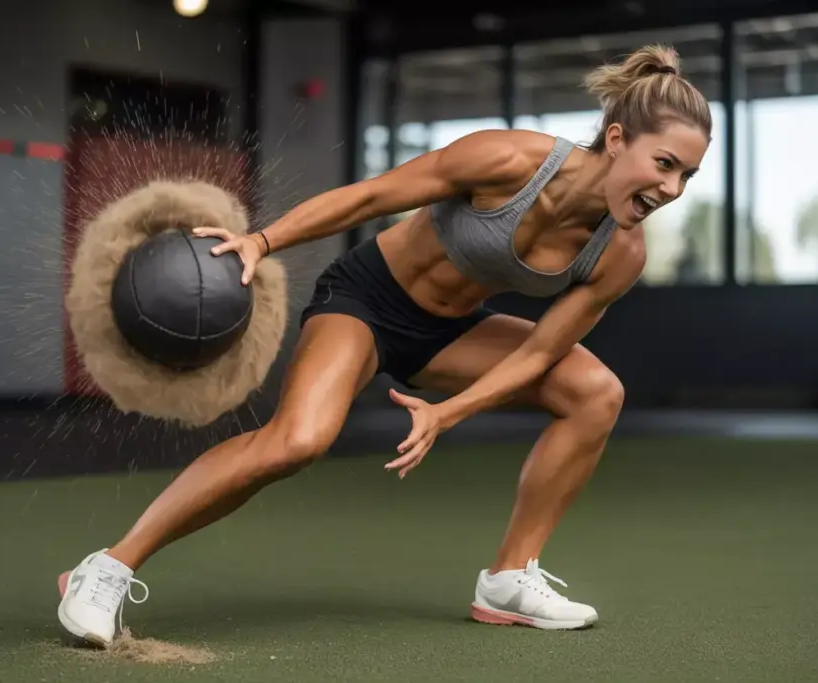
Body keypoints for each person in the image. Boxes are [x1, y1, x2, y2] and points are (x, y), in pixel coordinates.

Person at [56, 43, 711, 646]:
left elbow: (539, 353)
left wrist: (446, 413)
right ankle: (106, 567)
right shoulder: (508, 160)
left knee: (597, 392)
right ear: (618, 139)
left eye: (688, 174)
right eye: (664, 164)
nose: (672, 189)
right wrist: (262, 241)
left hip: (452, 330)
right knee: (300, 439)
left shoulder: (619, 252)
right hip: (368, 299)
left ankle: (510, 578)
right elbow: (370, 197)